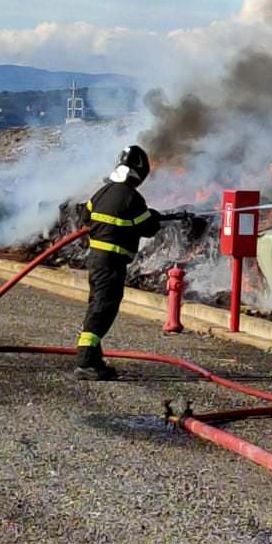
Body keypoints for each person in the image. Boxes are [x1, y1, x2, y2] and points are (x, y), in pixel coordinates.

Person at [72, 144, 174, 380]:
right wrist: (153, 217)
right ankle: (85, 362)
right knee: (103, 308)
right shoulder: (132, 198)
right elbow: (148, 228)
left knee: (98, 305)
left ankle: (93, 359)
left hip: (96, 261)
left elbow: (85, 217)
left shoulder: (102, 192)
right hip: (112, 263)